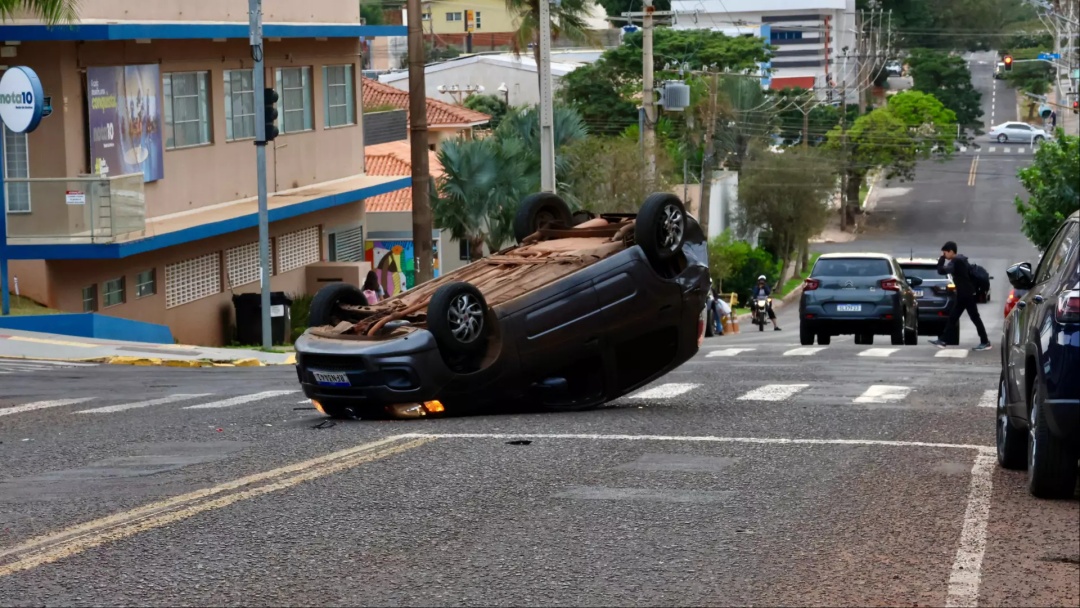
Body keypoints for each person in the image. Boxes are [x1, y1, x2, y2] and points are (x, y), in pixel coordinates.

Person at [931, 241, 991, 351]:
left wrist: (941, 260)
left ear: (951, 251)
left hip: (965, 294)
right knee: (954, 317)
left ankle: (985, 341)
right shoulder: (962, 259)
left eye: (945, 253)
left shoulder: (956, 261)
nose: (944, 255)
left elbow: (941, 271)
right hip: (965, 293)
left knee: (973, 318)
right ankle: (943, 340)